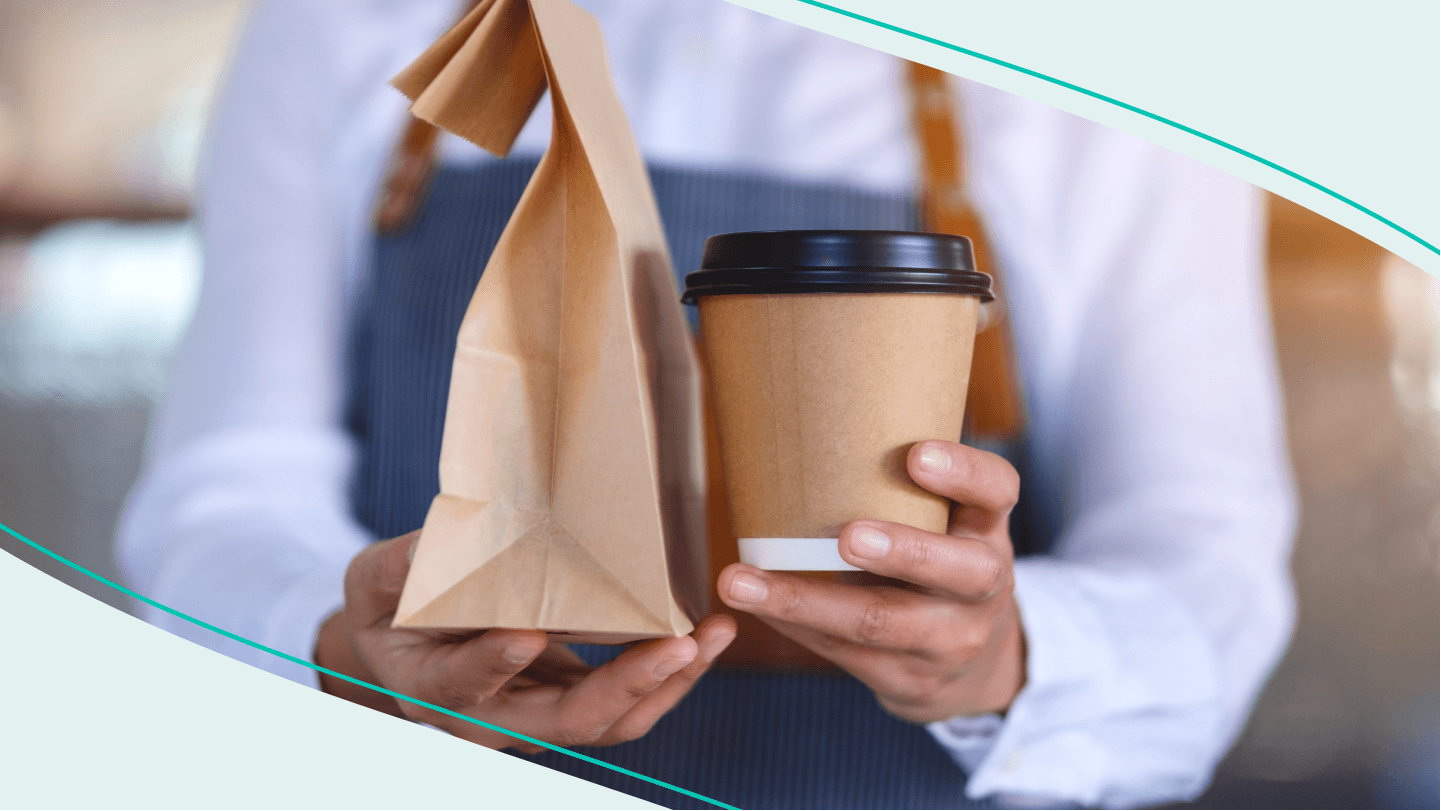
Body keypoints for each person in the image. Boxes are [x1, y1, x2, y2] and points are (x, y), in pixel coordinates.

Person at [116, 0, 1298, 808]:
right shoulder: (342, 25)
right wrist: (338, 648)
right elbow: (222, 497)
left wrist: (1007, 655)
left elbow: (1208, 565)